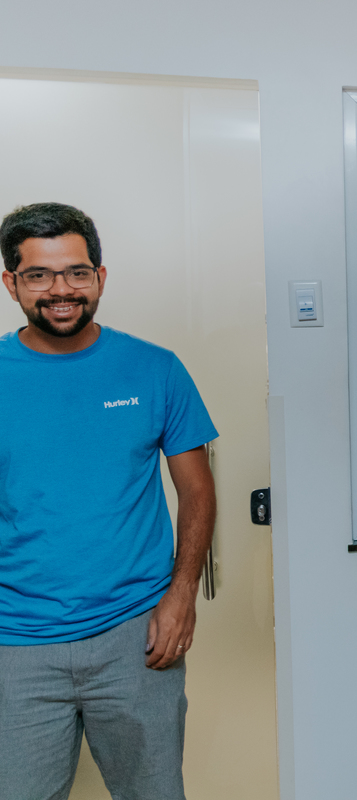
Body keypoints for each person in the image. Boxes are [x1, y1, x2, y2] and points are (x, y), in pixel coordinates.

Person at [0, 203, 218, 800]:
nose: (60, 290)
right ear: (11, 282)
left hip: (137, 633)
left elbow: (196, 488)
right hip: (15, 641)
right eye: (39, 275)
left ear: (100, 275)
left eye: (76, 272)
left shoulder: (154, 369)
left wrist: (181, 596)